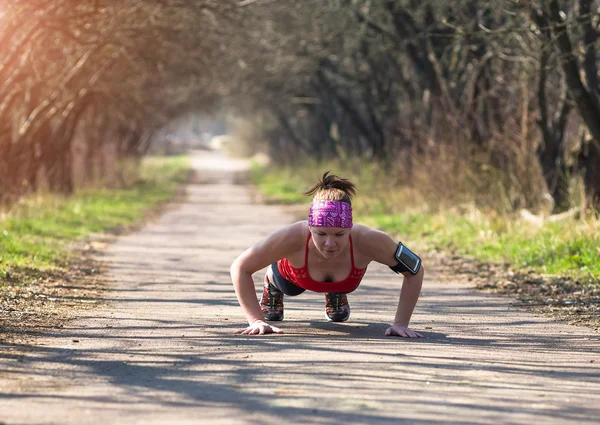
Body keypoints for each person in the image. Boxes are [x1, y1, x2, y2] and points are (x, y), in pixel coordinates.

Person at [230, 171, 424, 337]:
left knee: (341, 299)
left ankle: (335, 293)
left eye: (339, 234)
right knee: (291, 288)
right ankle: (271, 284)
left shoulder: (368, 239)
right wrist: (255, 320)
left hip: (344, 281)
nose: (330, 243)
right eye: (320, 234)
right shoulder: (293, 236)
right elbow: (240, 267)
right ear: (310, 227)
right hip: (294, 278)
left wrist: (401, 323)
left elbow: (415, 269)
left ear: (350, 227)